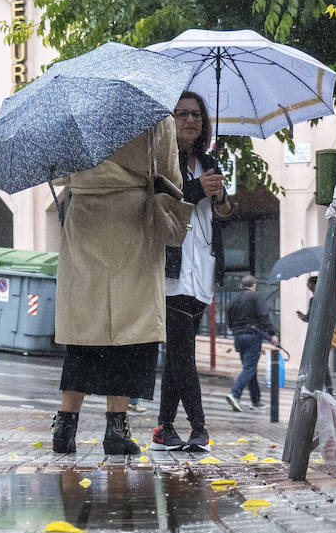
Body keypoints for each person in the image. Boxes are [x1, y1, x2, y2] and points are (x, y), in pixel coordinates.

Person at [51, 117, 181, 456]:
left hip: (85, 215)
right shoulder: (152, 114)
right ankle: (116, 426)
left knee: (84, 327)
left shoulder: (75, 115)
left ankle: (66, 423)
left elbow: (57, 171)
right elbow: (170, 174)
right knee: (131, 328)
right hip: (132, 215)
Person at [153, 90, 233, 452]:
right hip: (172, 268)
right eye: (183, 114)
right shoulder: (161, 159)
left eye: (197, 115)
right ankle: (199, 427)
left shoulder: (208, 160)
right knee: (183, 353)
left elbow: (226, 214)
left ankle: (162, 429)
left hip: (203, 268)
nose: (190, 120)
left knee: (177, 355)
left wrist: (221, 198)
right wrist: (196, 189)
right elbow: (160, 199)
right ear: (171, 120)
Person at [226, 274, 278, 412]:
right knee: (249, 368)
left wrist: (236, 329)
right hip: (252, 335)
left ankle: (255, 400)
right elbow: (263, 315)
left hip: (238, 336)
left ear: (241, 286)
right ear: (254, 286)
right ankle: (234, 394)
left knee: (249, 368)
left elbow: (229, 319)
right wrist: (272, 334)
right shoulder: (256, 296)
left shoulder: (234, 299)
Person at [296, 275, 334, 393]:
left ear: (315, 284)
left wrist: (302, 316)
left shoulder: (315, 299)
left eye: (310, 285)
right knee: (321, 361)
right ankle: (327, 387)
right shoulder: (328, 297)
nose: (308, 287)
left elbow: (310, 318)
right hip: (327, 332)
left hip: (318, 335)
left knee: (318, 361)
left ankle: (319, 386)